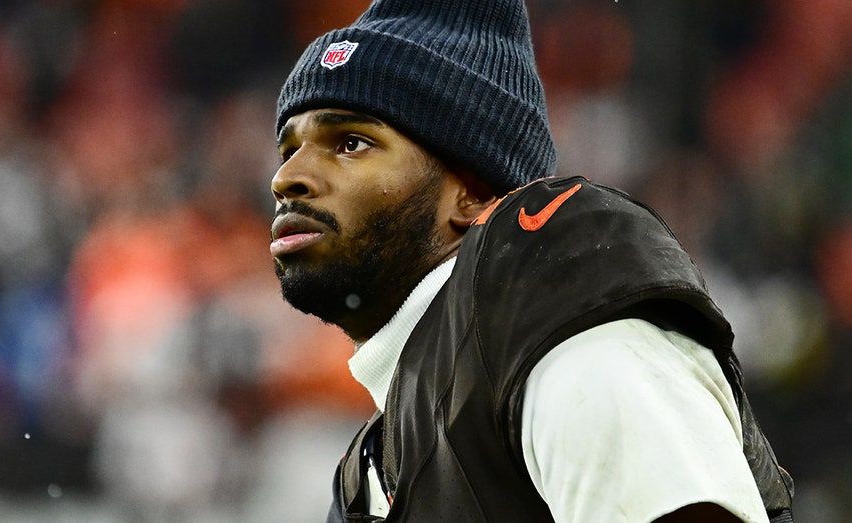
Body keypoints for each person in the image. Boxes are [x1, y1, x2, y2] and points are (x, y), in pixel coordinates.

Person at [268, 0, 795, 521]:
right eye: (289, 149)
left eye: (352, 143)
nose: (286, 178)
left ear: (473, 192)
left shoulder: (571, 331)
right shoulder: (379, 455)